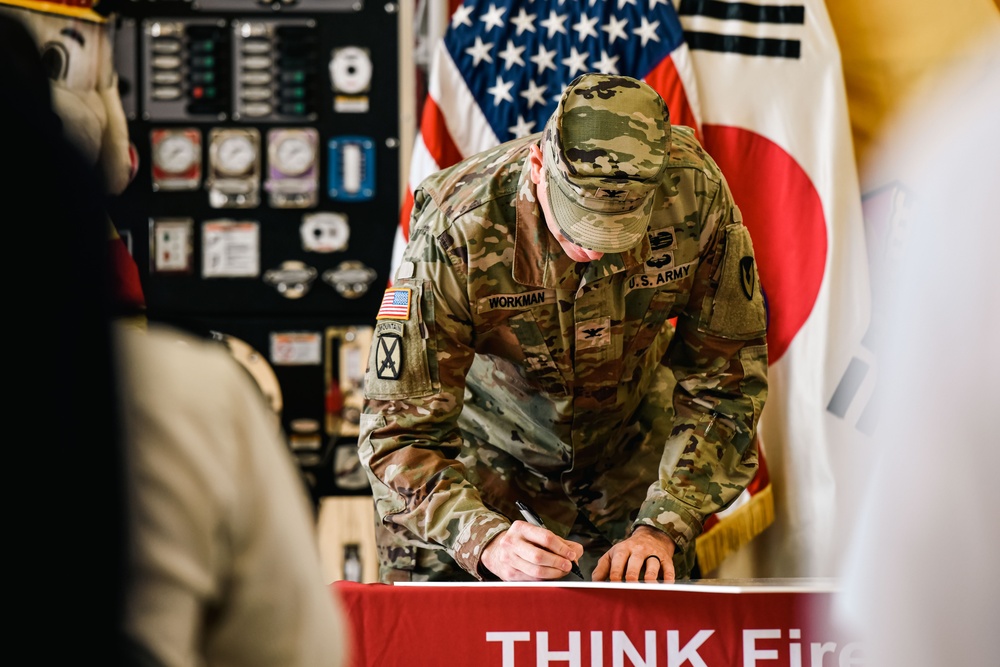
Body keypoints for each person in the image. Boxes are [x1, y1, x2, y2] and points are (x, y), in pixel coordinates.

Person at [358, 73, 768, 583]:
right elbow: (397, 434)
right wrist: (482, 537)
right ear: (538, 167)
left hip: (630, 457)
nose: (597, 249)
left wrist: (666, 522)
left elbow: (725, 385)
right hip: (476, 464)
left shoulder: (696, 196)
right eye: (580, 223)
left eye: (621, 228)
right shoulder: (459, 230)